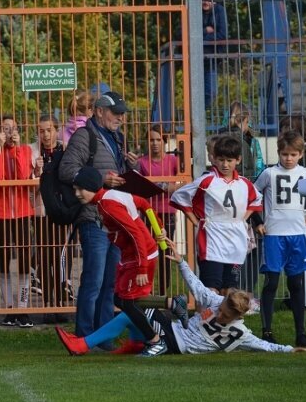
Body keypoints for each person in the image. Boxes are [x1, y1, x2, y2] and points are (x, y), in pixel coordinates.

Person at [55, 238, 306, 356]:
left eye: (224, 314)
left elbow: (265, 346)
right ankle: (136, 342)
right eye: (221, 308)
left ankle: (83, 345)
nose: (219, 313)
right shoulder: (215, 302)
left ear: (237, 317)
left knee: (130, 313)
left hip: (176, 343)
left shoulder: (241, 334)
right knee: (132, 311)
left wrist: (290, 349)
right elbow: (198, 288)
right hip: (174, 329)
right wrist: (181, 262)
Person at [71, 166, 189, 357]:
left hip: (140, 257)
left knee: (128, 302)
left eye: (80, 189)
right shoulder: (110, 196)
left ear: (92, 186)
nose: (76, 194)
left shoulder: (107, 206)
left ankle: (155, 341)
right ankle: (172, 304)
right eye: (74, 189)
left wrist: (142, 267)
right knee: (120, 298)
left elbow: (135, 235)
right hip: (133, 255)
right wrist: (158, 228)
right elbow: (143, 203)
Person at [58, 91, 139, 347]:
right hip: (93, 216)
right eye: (116, 113)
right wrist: (101, 179)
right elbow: (67, 170)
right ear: (100, 111)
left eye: (122, 114)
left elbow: (117, 174)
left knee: (109, 281)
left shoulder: (117, 139)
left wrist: (130, 169)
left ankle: (103, 336)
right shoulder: (84, 136)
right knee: (93, 279)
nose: (120, 119)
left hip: (115, 219)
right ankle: (84, 334)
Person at [170, 135, 263, 294]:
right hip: (212, 240)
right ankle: (206, 319)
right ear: (214, 159)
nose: (225, 164)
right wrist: (196, 221)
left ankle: (224, 319)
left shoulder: (244, 183)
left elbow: (256, 201)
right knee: (211, 288)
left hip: (236, 243)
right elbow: (179, 196)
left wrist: (242, 219)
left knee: (229, 288)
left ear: (238, 160)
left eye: (229, 160)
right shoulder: (207, 180)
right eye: (221, 160)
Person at [254, 131, 306, 347]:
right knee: (271, 282)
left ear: (301, 154)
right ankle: (267, 331)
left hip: (297, 235)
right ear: (278, 153)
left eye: (293, 154)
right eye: (284, 154)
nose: (288, 158)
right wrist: (257, 221)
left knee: (296, 283)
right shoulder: (269, 173)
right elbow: (252, 195)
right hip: (274, 236)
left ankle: (301, 332)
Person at [0, 114, 35, 328]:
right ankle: (9, 309)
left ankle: (23, 308)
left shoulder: (25, 151)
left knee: (23, 259)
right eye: (5, 128)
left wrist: (18, 148)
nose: (10, 132)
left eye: (13, 128)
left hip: (22, 211)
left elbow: (22, 176)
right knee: (3, 259)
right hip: (1, 213)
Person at [219, 102, 265, 295]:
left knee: (232, 251)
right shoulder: (248, 141)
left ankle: (230, 292)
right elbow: (258, 169)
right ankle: (246, 292)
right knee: (250, 249)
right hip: (247, 201)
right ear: (246, 120)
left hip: (226, 207)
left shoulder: (219, 138)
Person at [30, 114, 70, 321]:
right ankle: (47, 305)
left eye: (49, 130)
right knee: (45, 258)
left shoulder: (65, 151)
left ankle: (61, 304)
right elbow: (28, 186)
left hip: (61, 210)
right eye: (41, 130)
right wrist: (36, 172)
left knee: (61, 257)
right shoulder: (32, 152)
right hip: (41, 211)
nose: (45, 134)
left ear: (57, 130)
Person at [137, 124, 181, 294]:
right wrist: (165, 186)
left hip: (167, 212)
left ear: (164, 142)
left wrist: (162, 187)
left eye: (158, 140)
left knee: (165, 251)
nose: (155, 143)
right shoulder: (142, 162)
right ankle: (145, 290)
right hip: (148, 212)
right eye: (151, 140)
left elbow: (182, 182)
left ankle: (164, 291)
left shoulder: (172, 161)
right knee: (147, 250)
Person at [202, 0, 228, 110]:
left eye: (209, 0)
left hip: (212, 59)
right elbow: (182, 33)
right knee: (193, 92)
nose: (206, 2)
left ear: (215, 1)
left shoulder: (219, 11)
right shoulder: (192, 10)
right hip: (194, 58)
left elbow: (223, 34)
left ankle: (203, 116)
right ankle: (194, 119)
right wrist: (205, 31)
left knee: (211, 93)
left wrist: (201, 38)